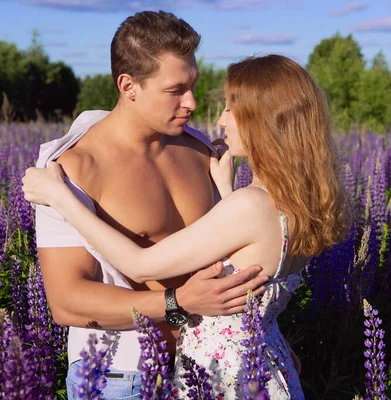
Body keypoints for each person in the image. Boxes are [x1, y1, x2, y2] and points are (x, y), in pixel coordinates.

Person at [23, 54, 347, 398]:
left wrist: (62, 199)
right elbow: (254, 259)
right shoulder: (300, 205)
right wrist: (226, 191)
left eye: (231, 108)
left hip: (226, 379)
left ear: (264, 121)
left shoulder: (249, 206)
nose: (221, 121)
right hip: (269, 366)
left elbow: (138, 264)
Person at [29, 11, 269, 398]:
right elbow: (66, 301)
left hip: (208, 363)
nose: (191, 102)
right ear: (129, 86)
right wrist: (177, 302)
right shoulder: (72, 169)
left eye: (193, 85)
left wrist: (267, 334)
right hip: (120, 375)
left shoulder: (199, 150)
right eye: (175, 90)